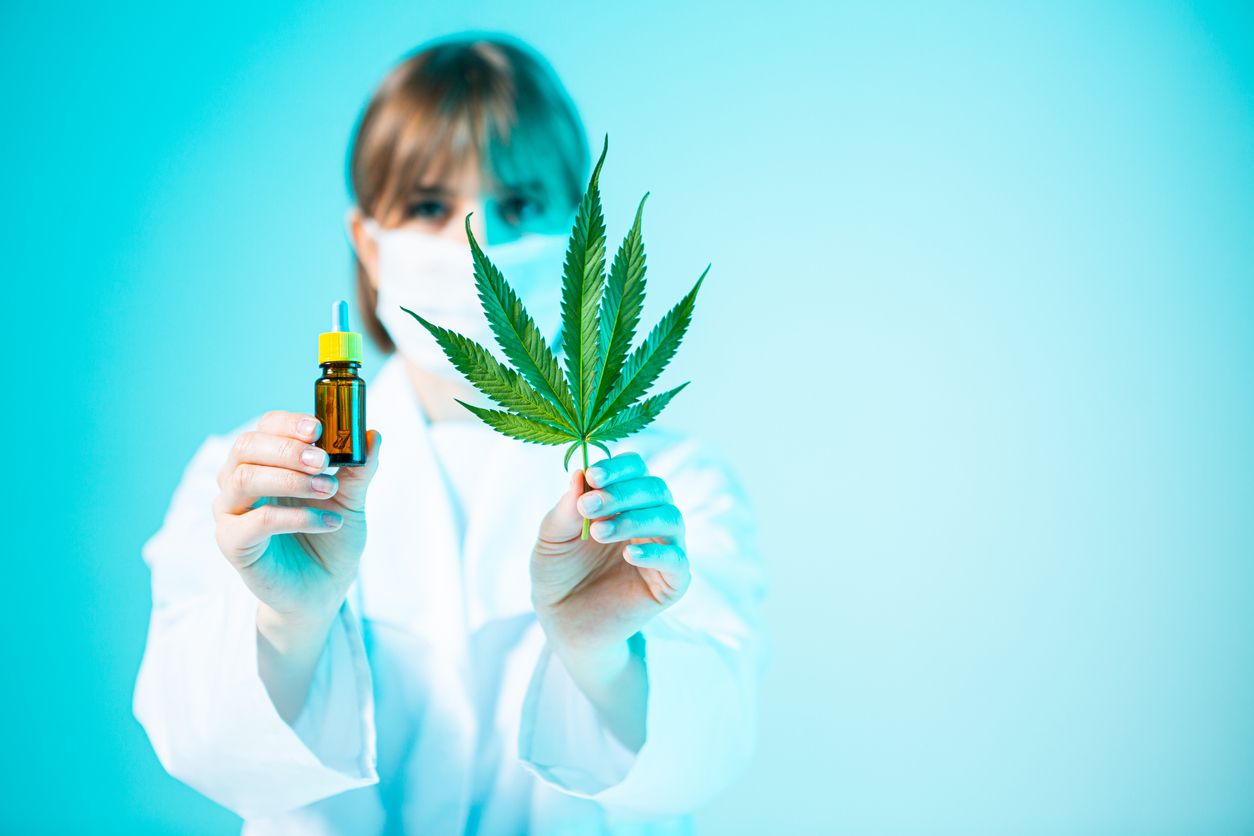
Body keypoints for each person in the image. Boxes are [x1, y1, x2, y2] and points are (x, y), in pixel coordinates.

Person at [134, 36, 766, 836]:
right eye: (430, 206)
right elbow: (204, 746)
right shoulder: (258, 490)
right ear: (368, 246)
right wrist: (288, 623)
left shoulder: (667, 488)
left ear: (585, 245)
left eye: (522, 205)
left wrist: (605, 660)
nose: (480, 248)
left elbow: (705, 750)